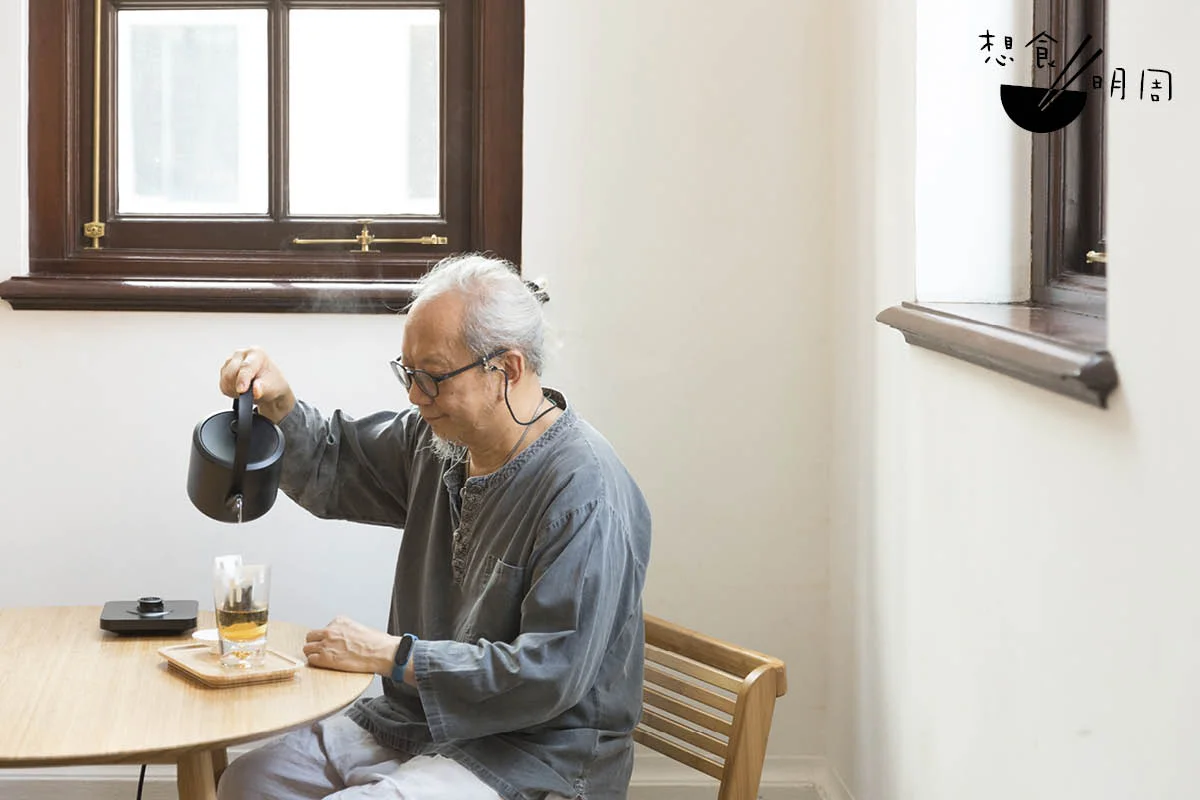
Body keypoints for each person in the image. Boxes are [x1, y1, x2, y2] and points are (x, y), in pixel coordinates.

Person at [214, 254, 653, 800]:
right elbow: (334, 462)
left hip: (533, 754)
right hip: (416, 724)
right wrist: (279, 405)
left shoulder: (585, 492)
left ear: (507, 370)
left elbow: (551, 673)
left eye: (432, 377)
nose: (414, 397)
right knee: (248, 783)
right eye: (407, 373)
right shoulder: (439, 444)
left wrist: (395, 654)